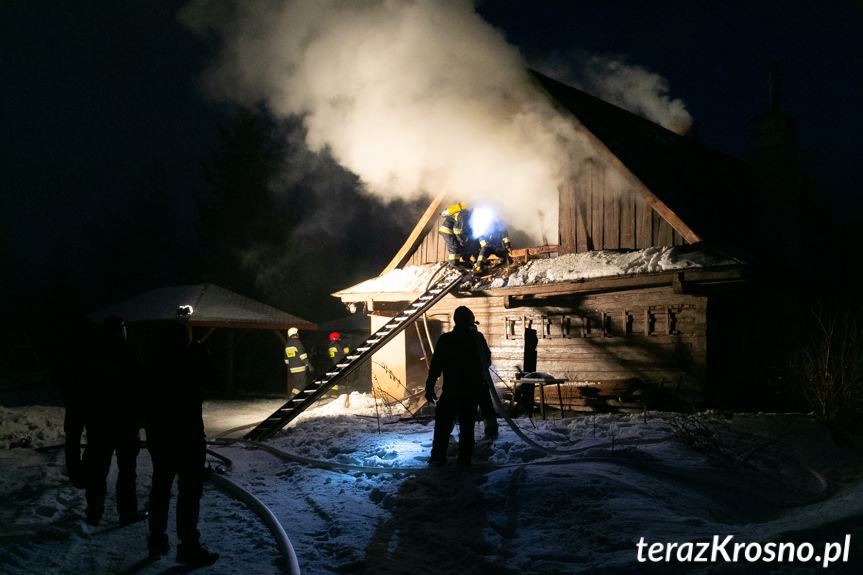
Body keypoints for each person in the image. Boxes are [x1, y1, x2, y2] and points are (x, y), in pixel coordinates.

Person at [144, 320, 219, 565]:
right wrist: (203, 355)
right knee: (188, 493)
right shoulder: (189, 361)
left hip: (160, 436)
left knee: (161, 489)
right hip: (188, 436)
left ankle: (156, 540)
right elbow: (210, 381)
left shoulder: (153, 362)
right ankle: (188, 546)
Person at [81, 315, 146, 526]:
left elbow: (83, 391)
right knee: (127, 471)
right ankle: (127, 512)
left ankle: (94, 513)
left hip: (99, 424)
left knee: (97, 472)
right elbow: (142, 390)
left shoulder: (91, 356)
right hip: (126, 424)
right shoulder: (131, 355)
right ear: (121, 331)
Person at [424, 306, 491, 468]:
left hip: (451, 392)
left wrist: (430, 386)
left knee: (442, 426)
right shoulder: (477, 338)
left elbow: (436, 366)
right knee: (467, 428)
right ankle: (464, 461)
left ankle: (438, 458)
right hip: (470, 392)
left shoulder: (446, 339)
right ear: (470, 320)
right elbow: (487, 361)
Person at [438, 202, 478, 267]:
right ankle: (453, 266)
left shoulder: (468, 214)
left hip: (452, 230)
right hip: (447, 230)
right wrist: (461, 240)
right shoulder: (464, 215)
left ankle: (461, 264)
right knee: (454, 248)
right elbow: (458, 230)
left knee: (458, 248)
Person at [285, 327, 312, 395]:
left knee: (297, 383)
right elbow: (302, 355)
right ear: (295, 333)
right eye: (297, 332)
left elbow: (286, 359)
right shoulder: (297, 342)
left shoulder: (287, 345)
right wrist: (309, 365)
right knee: (302, 383)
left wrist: (289, 367)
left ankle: (295, 394)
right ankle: (295, 394)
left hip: (292, 368)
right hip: (300, 367)